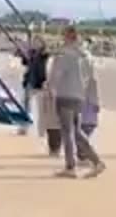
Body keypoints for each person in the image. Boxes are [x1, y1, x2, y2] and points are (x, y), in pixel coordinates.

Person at [48, 26, 106, 178]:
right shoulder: (86, 56)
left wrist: (50, 87)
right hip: (79, 97)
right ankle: (96, 161)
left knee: (67, 131)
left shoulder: (65, 55)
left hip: (65, 95)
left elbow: (56, 75)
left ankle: (70, 166)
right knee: (76, 131)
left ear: (67, 37)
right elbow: (91, 79)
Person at [18, 37, 50, 136]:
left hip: (40, 82)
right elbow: (24, 62)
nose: (35, 44)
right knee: (25, 105)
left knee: (41, 108)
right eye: (34, 42)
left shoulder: (43, 54)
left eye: (37, 42)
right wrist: (24, 51)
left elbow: (46, 54)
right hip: (30, 82)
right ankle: (24, 127)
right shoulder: (31, 53)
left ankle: (42, 130)